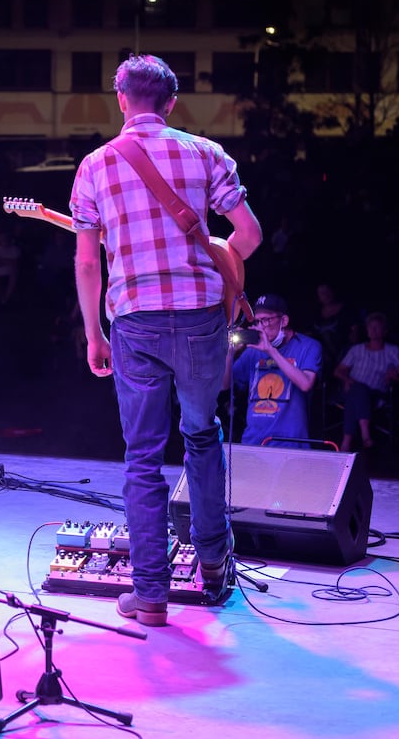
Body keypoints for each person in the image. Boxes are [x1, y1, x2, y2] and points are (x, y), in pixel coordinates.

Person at [71, 54, 262, 627]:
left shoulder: (96, 165)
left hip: (135, 322)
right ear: (172, 103)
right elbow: (248, 235)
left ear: (122, 99)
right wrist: (219, 259)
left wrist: (93, 334)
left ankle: (150, 593)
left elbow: (87, 263)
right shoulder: (206, 153)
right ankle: (214, 572)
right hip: (202, 319)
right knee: (202, 438)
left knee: (143, 457)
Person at [224, 294, 322, 449]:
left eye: (267, 320)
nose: (261, 326)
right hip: (254, 440)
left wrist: (271, 351)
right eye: (258, 321)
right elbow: (224, 385)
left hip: (291, 442)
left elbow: (306, 384)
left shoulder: (308, 346)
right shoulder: (253, 350)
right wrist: (229, 353)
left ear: (284, 321)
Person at [333, 311, 399, 452]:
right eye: (370, 327)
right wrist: (346, 378)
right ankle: (366, 436)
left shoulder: (393, 351)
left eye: (377, 327)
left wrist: (395, 376)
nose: (373, 330)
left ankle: (346, 442)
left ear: (384, 331)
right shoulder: (357, 350)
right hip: (351, 389)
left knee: (357, 392)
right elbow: (338, 371)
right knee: (357, 390)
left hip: (376, 394)